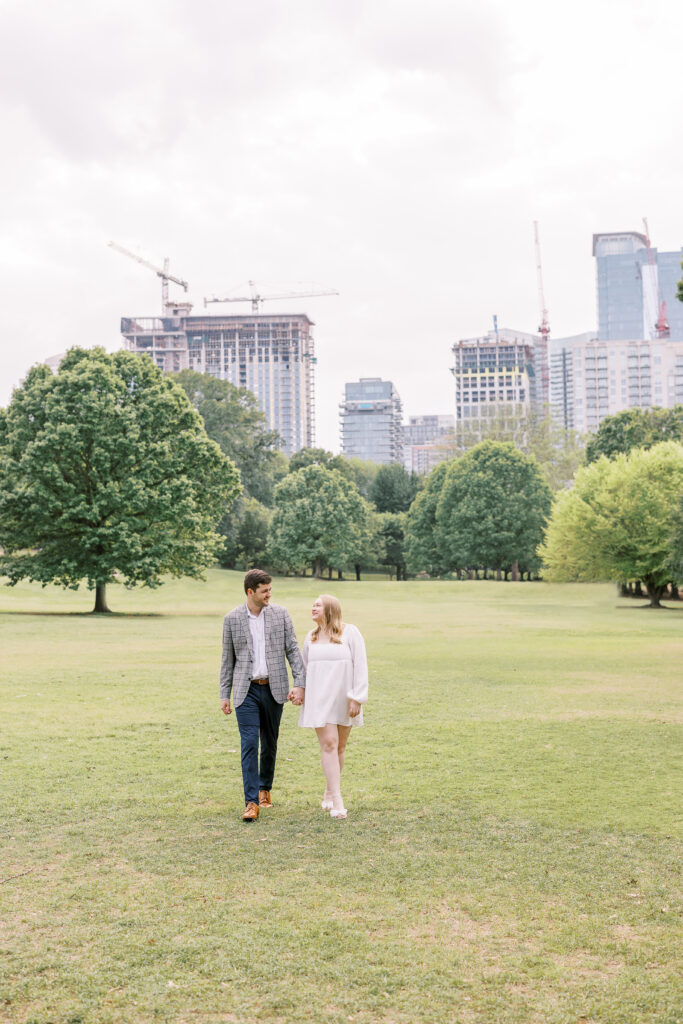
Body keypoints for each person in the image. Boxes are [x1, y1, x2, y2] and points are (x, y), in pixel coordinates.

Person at [220, 569, 305, 822]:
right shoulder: (232, 619)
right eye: (264, 590)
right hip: (245, 691)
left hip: (274, 687)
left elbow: (292, 649)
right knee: (249, 744)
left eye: (270, 590)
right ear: (250, 592)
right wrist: (225, 694)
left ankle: (265, 788)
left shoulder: (281, 614)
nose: (269, 594)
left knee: (269, 742)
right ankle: (251, 802)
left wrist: (300, 682)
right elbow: (227, 660)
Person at [295, 594, 368, 820]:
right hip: (319, 699)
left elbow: (361, 665)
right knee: (329, 743)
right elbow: (304, 670)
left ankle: (328, 790)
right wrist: (299, 690)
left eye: (317, 605)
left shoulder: (351, 633)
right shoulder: (311, 637)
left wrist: (357, 697)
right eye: (313, 604)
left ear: (330, 609)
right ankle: (337, 799)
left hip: (344, 698)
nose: (313, 608)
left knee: (340, 747)